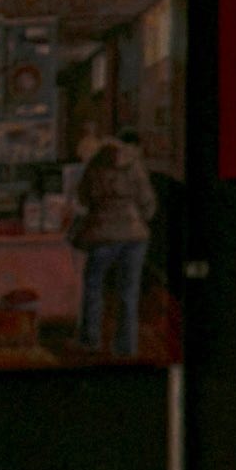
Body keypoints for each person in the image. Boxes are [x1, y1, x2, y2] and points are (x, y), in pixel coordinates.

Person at [68, 126, 155, 358]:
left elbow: (83, 198)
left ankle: (90, 340)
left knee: (94, 285)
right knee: (128, 291)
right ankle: (126, 347)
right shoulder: (135, 165)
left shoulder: (95, 164)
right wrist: (136, 219)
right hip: (135, 236)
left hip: (102, 234)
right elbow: (147, 202)